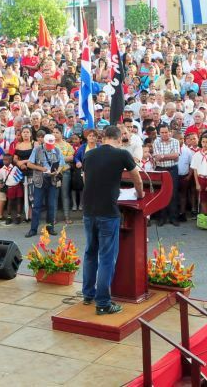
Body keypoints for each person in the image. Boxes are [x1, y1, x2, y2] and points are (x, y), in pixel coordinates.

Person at [81, 126, 144, 315]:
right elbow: (137, 179)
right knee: (107, 257)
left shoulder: (90, 154)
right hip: (108, 212)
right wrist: (139, 194)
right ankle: (103, 303)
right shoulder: (122, 154)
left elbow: (86, 178)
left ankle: (88, 295)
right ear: (117, 138)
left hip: (88, 210)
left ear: (103, 138)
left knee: (90, 253)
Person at [25, 134, 64, 238]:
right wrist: (42, 169)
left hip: (52, 180)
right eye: (48, 145)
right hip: (40, 180)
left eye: (52, 145)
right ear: (44, 142)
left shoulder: (57, 150)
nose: (50, 147)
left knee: (51, 205)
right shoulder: (37, 150)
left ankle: (50, 228)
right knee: (36, 206)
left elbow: (61, 164)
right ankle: (33, 229)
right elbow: (29, 164)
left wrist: (57, 172)